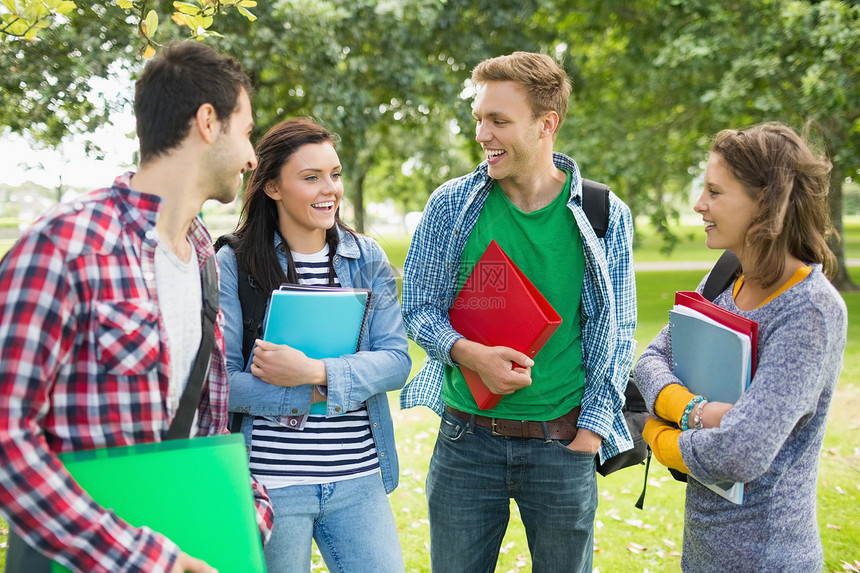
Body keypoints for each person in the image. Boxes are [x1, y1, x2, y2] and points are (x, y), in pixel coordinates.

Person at [0, 42, 274, 573]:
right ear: (207, 122)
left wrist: (246, 509)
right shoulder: (65, 245)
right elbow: (7, 433)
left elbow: (206, 424)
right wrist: (144, 559)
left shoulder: (202, 256)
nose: (250, 157)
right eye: (246, 131)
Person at [399, 51, 637, 572]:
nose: (482, 134)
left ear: (545, 125)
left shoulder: (602, 214)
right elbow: (417, 306)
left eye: (499, 121)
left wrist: (591, 432)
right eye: (479, 119)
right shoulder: (451, 204)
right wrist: (468, 353)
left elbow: (615, 332)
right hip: (465, 440)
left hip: (562, 443)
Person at [633, 122, 847, 573]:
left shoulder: (809, 310)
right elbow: (649, 361)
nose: (699, 204)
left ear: (765, 201)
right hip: (703, 553)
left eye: (714, 191)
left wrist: (655, 433)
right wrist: (695, 411)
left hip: (769, 559)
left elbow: (741, 452)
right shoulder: (724, 278)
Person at [216, 117, 410, 573]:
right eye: (311, 177)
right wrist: (323, 390)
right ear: (272, 188)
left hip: (359, 478)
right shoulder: (233, 262)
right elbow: (222, 382)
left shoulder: (366, 258)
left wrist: (315, 374)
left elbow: (396, 361)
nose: (330, 189)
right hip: (272, 482)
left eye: (335, 174)